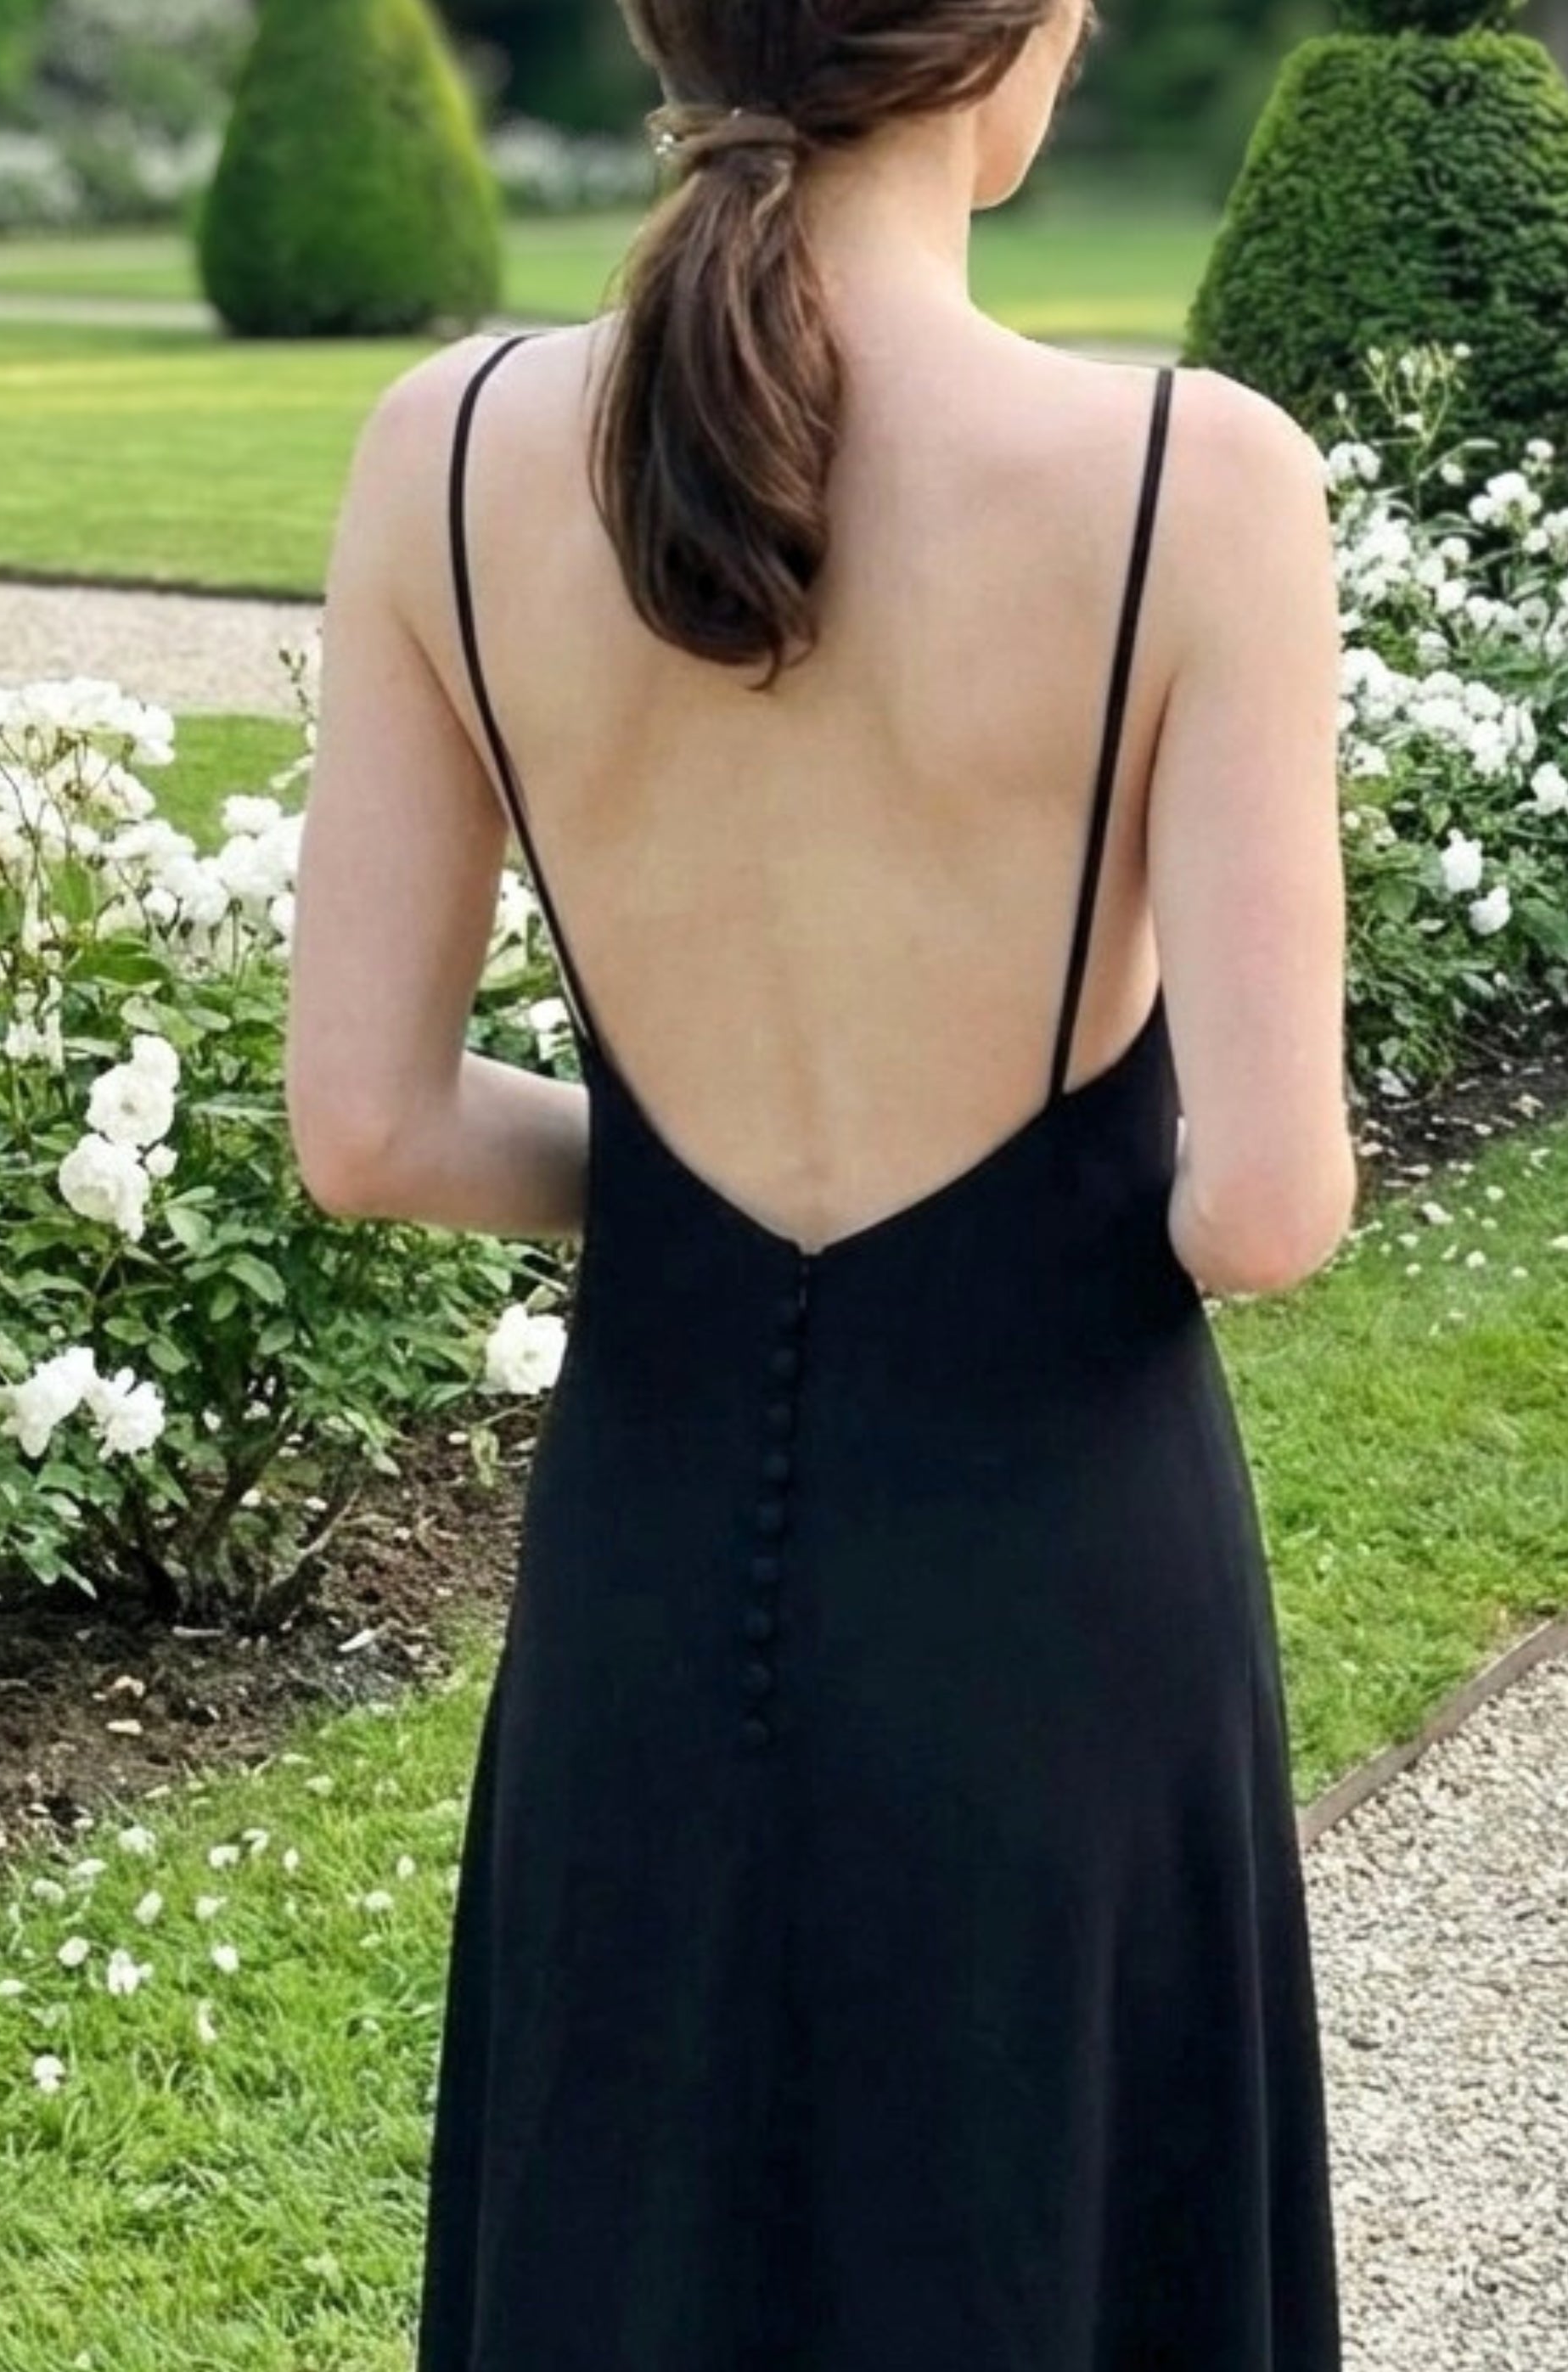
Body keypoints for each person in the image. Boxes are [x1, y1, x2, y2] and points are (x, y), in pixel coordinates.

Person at [285, 0, 1357, 2361]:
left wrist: (700, 1210)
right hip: (1059, 1600)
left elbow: (369, 1127)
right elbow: (1266, 1205)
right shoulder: (1195, 482)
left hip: (649, 1580)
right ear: (1005, 45)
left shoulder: (443, 451)